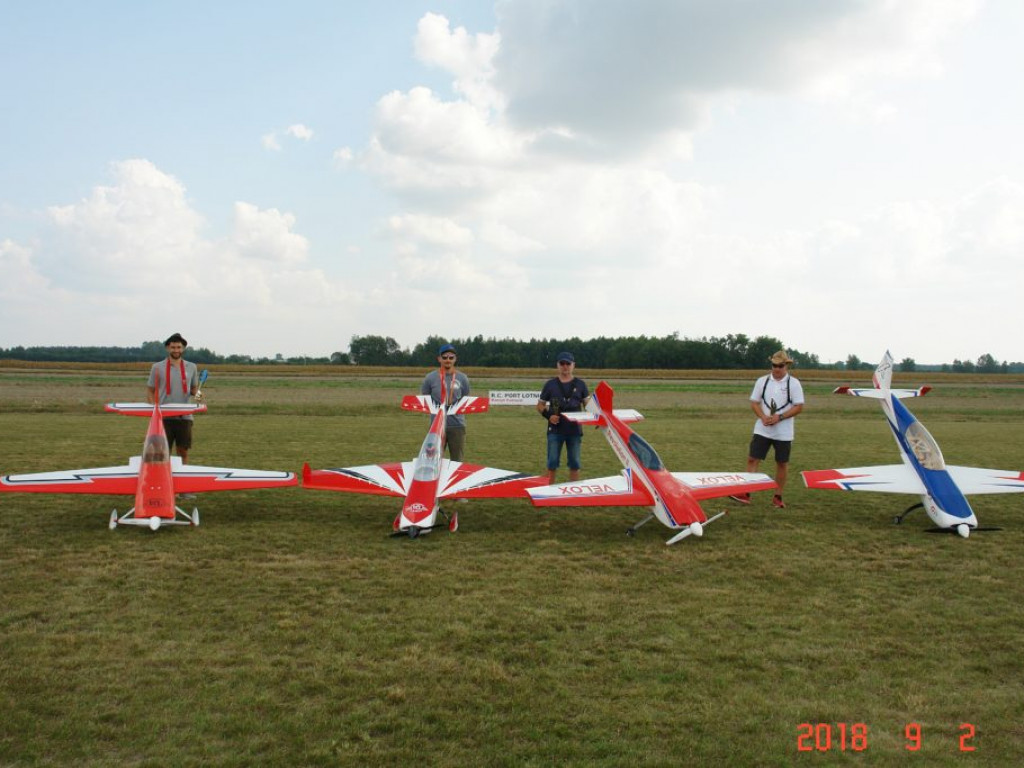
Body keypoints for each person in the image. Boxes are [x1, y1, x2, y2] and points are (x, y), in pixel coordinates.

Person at [732, 350, 805, 509]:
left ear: (786, 366)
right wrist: (763, 417)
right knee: (752, 459)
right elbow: (754, 403)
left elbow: (799, 407)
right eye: (774, 365)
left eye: (780, 366)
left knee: (781, 463)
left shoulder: (794, 383)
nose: (776, 369)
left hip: (783, 432)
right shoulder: (762, 381)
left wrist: (780, 417)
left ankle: (777, 497)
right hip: (762, 429)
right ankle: (746, 493)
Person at [146, 332, 200, 463]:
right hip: (164, 416)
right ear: (167, 348)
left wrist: (198, 394)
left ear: (183, 348)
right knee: (163, 452)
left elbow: (193, 389)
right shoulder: (157, 367)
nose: (176, 350)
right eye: (173, 347)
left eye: (179, 347)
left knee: (183, 451)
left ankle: (183, 479)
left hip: (185, 416)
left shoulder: (192, 367)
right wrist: (154, 409)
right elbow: (150, 390)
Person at [537, 352, 590, 483]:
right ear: (558, 365)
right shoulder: (550, 384)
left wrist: (598, 417)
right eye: (562, 363)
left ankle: (573, 493)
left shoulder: (581, 384)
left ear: (573, 365)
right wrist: (549, 416)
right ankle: (548, 492)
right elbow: (540, 405)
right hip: (555, 430)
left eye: (568, 363)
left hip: (574, 431)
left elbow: (588, 406)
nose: (565, 366)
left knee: (575, 463)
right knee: (552, 463)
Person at [420, 343, 471, 462]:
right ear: (439, 359)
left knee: (457, 462)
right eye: (444, 357)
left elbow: (465, 397)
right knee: (432, 461)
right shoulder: (430, 378)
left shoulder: (463, 378)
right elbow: (426, 399)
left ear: (455, 359)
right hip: (437, 426)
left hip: (457, 426)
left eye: (451, 357)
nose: (448, 360)